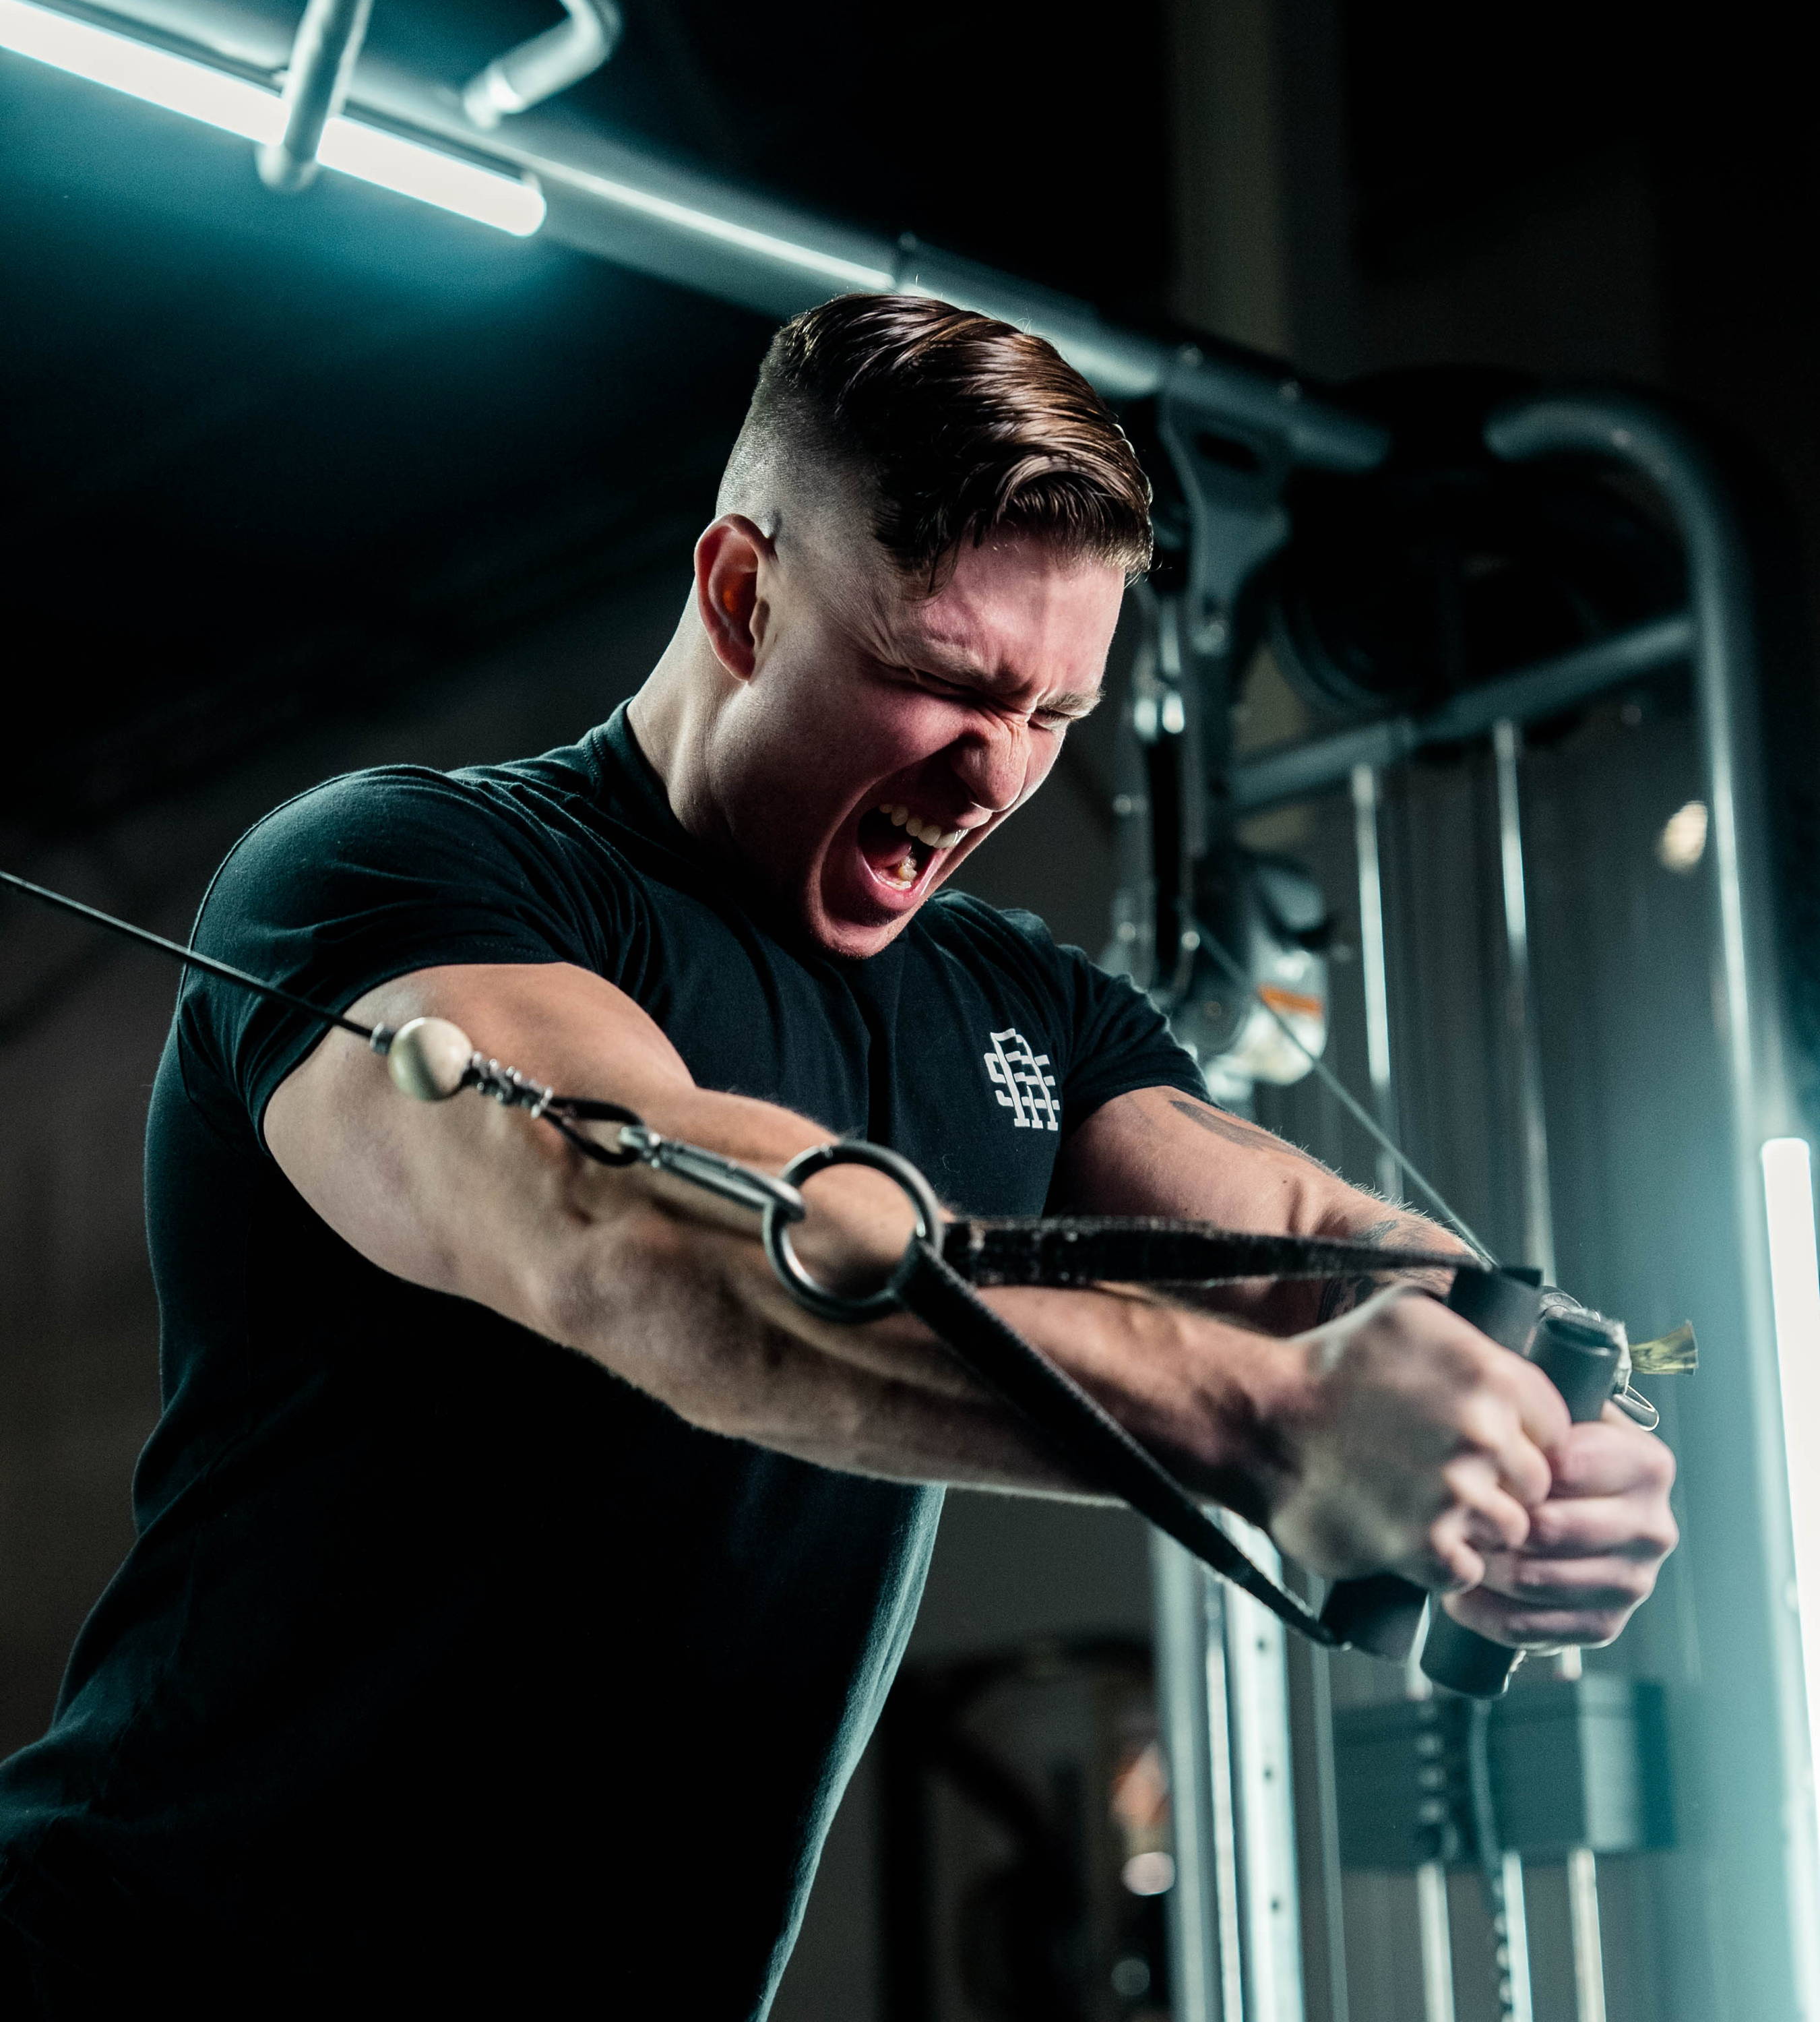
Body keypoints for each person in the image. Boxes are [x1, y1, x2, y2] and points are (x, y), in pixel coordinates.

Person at [0, 295, 1676, 2016]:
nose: (995, 775)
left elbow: (1309, 1248)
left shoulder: (1022, 1006)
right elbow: (637, 1233)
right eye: (945, 682)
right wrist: (1265, 1422)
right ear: (741, 592)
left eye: (1052, 712)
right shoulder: (401, 876)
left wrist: (1547, 1431)